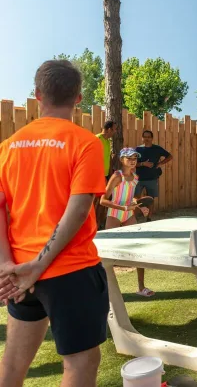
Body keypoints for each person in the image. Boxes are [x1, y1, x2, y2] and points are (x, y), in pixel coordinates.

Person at [0, 60, 108, 386]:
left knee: (14, 363)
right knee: (81, 364)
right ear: (78, 97)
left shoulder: (7, 148)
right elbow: (77, 210)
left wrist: (7, 264)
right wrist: (39, 264)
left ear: (37, 95)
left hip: (21, 274)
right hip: (69, 270)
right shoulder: (86, 142)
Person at [100, 147, 154, 298]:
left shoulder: (135, 177)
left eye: (135, 158)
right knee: (106, 255)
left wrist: (140, 206)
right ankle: (104, 291)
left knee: (139, 250)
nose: (132, 161)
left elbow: (132, 198)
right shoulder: (117, 176)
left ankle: (141, 287)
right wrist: (123, 207)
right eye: (129, 158)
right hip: (114, 215)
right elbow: (103, 200)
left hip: (129, 214)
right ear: (121, 160)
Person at [134, 130, 172, 220]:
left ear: (152, 138)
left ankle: (149, 218)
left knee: (151, 199)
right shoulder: (137, 149)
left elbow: (170, 156)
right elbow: (132, 163)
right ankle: (133, 217)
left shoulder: (157, 149)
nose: (147, 139)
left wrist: (160, 163)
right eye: (145, 137)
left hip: (152, 178)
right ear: (142, 138)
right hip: (138, 178)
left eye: (149, 137)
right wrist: (143, 164)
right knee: (136, 198)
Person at [95, 120, 117, 229]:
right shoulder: (97, 139)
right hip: (96, 177)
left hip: (106, 175)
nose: (115, 132)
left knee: (102, 202)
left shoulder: (107, 141)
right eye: (114, 129)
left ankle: (98, 224)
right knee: (96, 202)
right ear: (109, 129)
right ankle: (93, 225)